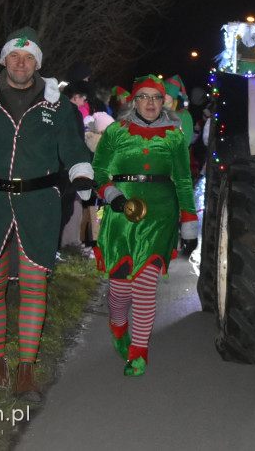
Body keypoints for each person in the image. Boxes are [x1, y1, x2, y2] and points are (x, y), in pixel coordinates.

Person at [0, 27, 95, 400]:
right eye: (14, 56)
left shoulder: (58, 104)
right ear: (4, 59)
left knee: (33, 285)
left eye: (28, 58)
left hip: (38, 203)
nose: (21, 63)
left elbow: (73, 149)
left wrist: (85, 181)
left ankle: (26, 367)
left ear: (38, 63)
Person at [91, 75, 198, 376]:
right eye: (144, 97)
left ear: (164, 101)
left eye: (156, 97)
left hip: (160, 217)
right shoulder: (116, 132)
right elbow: (99, 171)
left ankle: (139, 352)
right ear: (134, 101)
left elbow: (183, 181)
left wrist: (189, 219)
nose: (150, 103)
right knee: (120, 290)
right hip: (120, 216)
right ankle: (117, 323)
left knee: (145, 284)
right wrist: (109, 193)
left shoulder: (174, 136)